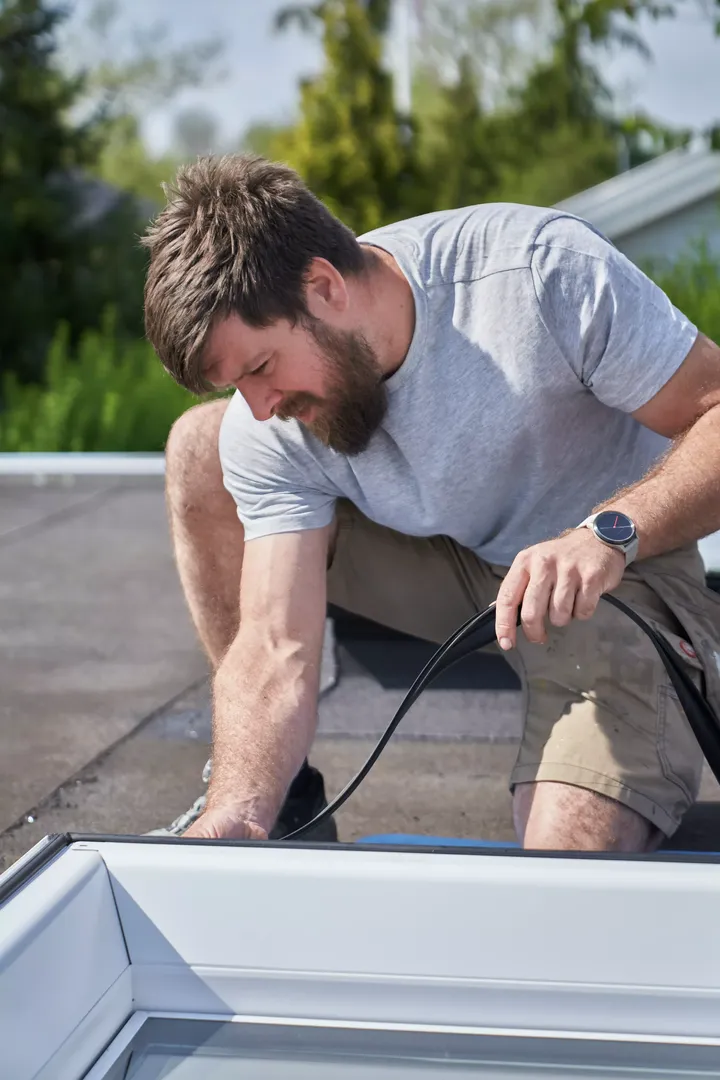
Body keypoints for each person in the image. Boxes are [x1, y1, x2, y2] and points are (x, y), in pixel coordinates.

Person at [142, 153, 720, 852]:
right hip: (453, 571)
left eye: (262, 367)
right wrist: (236, 808)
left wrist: (609, 533)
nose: (262, 408)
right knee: (206, 448)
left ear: (324, 287)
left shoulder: (538, 276)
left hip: (612, 581)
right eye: (238, 384)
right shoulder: (268, 420)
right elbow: (274, 643)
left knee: (566, 878)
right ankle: (284, 798)